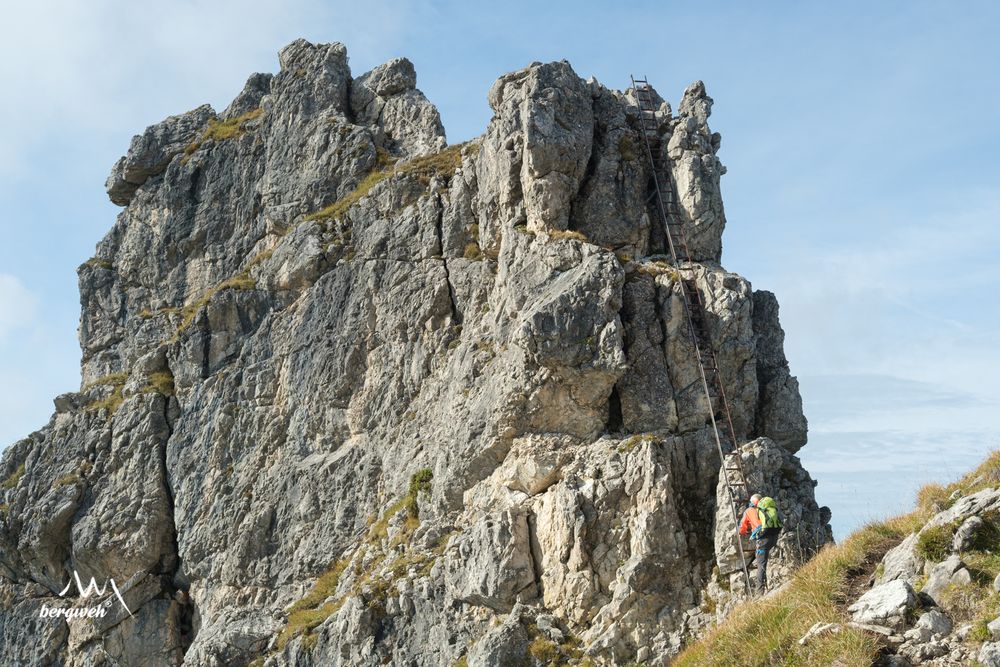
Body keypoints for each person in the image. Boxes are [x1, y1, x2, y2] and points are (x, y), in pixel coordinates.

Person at [739, 493, 782, 593]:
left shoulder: (749, 511)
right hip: (773, 536)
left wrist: (742, 532)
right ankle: (765, 585)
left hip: (763, 539)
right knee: (764, 561)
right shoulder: (767, 508)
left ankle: (759, 592)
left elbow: (742, 527)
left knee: (761, 565)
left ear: (753, 502)